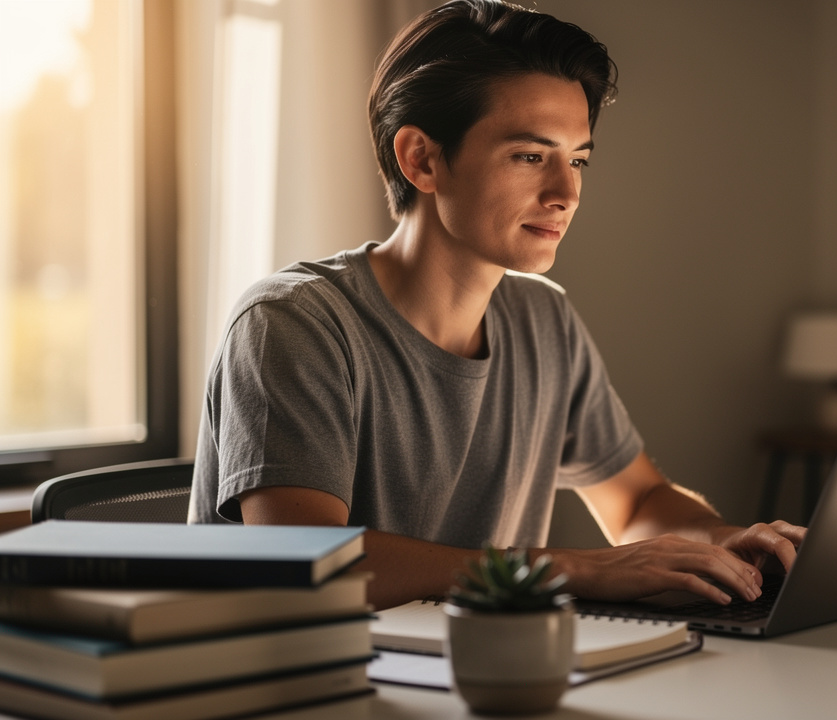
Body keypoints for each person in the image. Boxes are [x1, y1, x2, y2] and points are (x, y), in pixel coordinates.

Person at [189, 0, 805, 611]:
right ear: (421, 159)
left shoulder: (545, 321)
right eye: (531, 156)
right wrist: (571, 569)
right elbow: (306, 558)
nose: (566, 193)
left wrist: (724, 544)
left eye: (578, 160)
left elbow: (638, 503)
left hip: (480, 683)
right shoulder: (291, 324)